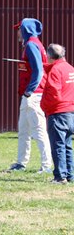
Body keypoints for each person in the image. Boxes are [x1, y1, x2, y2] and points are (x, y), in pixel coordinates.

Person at [5, 18, 52, 173]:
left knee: (38, 130)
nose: (18, 32)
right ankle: (21, 162)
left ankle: (46, 165)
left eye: (19, 29)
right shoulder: (33, 44)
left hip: (34, 94)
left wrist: (30, 90)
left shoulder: (31, 44)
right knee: (24, 130)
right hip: (30, 95)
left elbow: (38, 71)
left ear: (26, 29)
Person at [41, 43, 74, 184]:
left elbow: (54, 94)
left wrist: (43, 106)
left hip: (58, 112)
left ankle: (60, 176)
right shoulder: (70, 68)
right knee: (67, 145)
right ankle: (70, 174)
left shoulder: (56, 71)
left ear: (49, 55)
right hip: (70, 112)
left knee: (58, 145)